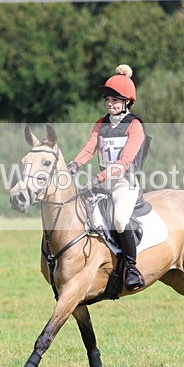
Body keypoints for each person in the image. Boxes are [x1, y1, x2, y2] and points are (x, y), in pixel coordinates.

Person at [67, 64, 147, 292]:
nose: (110, 103)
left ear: (127, 103)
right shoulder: (100, 124)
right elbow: (88, 149)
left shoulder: (134, 125)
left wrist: (98, 177)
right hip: (102, 184)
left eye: (116, 99)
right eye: (108, 99)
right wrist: (73, 165)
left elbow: (124, 162)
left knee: (120, 220)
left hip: (124, 184)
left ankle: (132, 268)